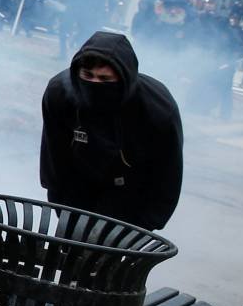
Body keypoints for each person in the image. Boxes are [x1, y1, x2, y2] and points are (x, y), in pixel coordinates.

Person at [40, 32, 183, 231]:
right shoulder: (60, 93)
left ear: (124, 78)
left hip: (131, 189)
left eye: (105, 79)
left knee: (107, 253)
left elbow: (168, 174)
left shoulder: (157, 109)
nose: (95, 84)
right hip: (78, 182)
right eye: (88, 76)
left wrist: (147, 225)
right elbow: (53, 153)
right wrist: (58, 200)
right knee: (70, 249)